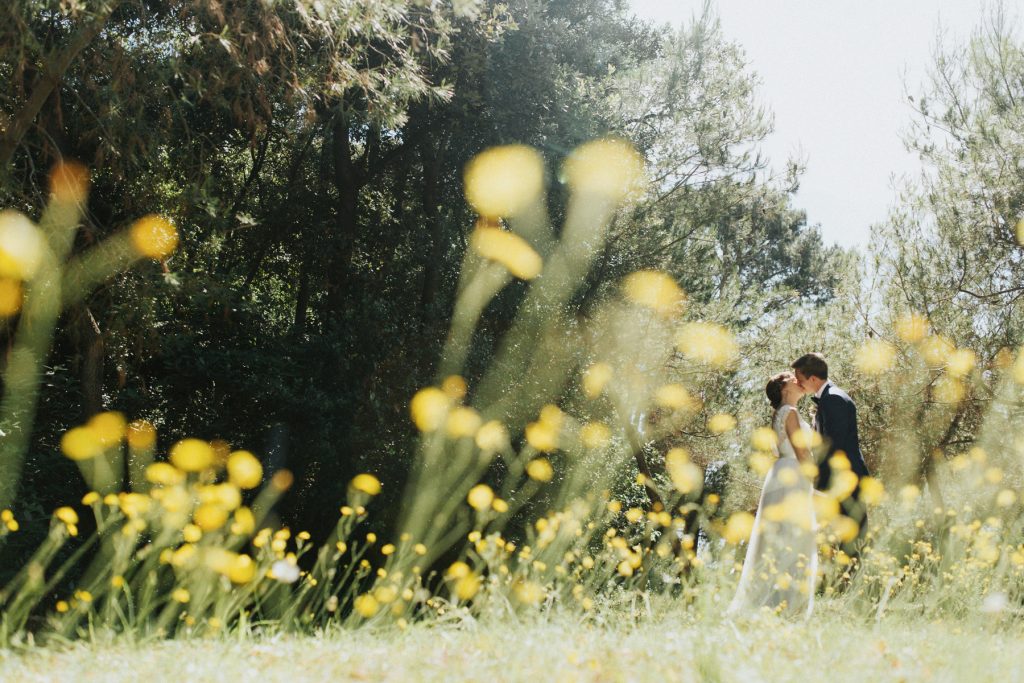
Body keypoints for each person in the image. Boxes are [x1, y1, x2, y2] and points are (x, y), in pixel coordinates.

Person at [730, 372, 818, 618]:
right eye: (792, 377)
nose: (799, 380)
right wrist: (820, 484)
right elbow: (802, 453)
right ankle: (786, 608)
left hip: (783, 475)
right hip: (793, 475)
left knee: (782, 538)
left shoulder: (784, 412)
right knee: (793, 538)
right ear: (783, 387)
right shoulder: (788, 412)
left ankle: (776, 605)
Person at [791, 352, 870, 555]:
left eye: (800, 380)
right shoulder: (829, 398)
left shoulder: (833, 399)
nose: (799, 384)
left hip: (845, 483)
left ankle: (854, 584)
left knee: (851, 545)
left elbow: (835, 449)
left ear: (813, 379)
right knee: (845, 545)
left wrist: (820, 488)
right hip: (843, 483)